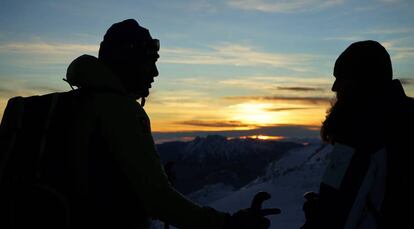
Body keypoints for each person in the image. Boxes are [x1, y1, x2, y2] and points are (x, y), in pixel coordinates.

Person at [0, 19, 280, 229]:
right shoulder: (119, 111)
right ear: (127, 61)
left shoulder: (66, 105)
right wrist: (229, 224)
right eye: (150, 62)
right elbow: (158, 200)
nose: (156, 72)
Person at [301, 40, 414, 228]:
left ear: (363, 81)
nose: (334, 87)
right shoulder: (404, 117)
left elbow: (336, 215)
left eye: (342, 79)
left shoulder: (361, 130)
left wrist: (318, 213)